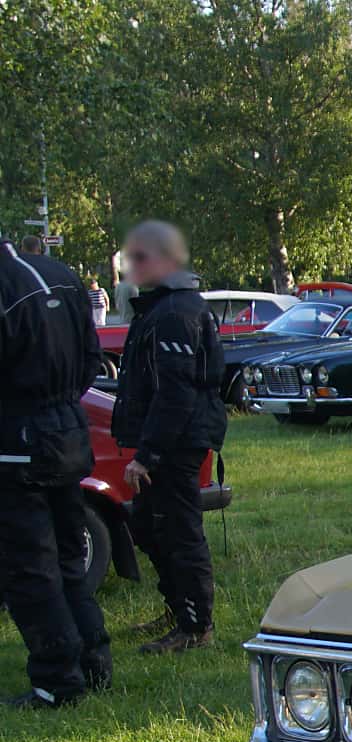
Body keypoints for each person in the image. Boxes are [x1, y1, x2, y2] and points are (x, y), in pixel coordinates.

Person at [0, 235, 110, 708]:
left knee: (30, 567)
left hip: (18, 442)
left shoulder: (8, 286)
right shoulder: (61, 274)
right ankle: (93, 662)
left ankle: (57, 679)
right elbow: (91, 356)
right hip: (67, 431)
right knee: (68, 557)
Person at [109, 221, 226, 654]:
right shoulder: (161, 307)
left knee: (179, 531)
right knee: (146, 525)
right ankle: (179, 610)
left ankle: (195, 626)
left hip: (178, 440)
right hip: (169, 436)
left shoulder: (176, 312)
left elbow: (175, 393)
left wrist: (148, 454)